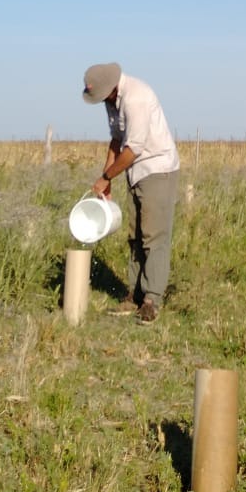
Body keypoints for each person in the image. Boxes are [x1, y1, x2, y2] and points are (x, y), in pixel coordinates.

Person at [82, 62, 180, 323]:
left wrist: (106, 177)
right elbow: (116, 140)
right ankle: (134, 295)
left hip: (157, 169)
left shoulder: (136, 97)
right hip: (135, 171)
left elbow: (133, 148)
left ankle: (151, 300)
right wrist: (109, 180)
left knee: (154, 236)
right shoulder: (111, 100)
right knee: (135, 235)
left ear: (112, 87)